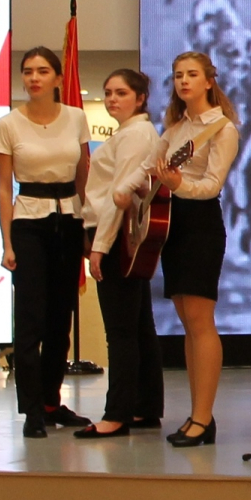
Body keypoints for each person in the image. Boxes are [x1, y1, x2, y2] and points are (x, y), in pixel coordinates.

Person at [125, 51, 241, 447]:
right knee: (187, 323)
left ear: (209, 81)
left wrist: (179, 185)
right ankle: (197, 414)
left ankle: (203, 418)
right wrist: (128, 193)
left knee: (200, 320)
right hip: (171, 223)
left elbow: (211, 185)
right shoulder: (175, 128)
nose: (184, 81)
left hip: (200, 224)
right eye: (178, 75)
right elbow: (148, 168)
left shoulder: (222, 128)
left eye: (192, 75)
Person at [0, 47, 93, 439]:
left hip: (68, 220)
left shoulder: (76, 117)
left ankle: (52, 402)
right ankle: (31, 409)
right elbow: (4, 187)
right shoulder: (8, 124)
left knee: (60, 320)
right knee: (30, 319)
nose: (34, 78)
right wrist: (7, 242)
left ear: (57, 78)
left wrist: (87, 226)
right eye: (28, 71)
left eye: (43, 71)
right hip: (28, 222)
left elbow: (83, 174)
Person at [79, 69, 165, 438]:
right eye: (108, 92)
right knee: (139, 325)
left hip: (115, 236)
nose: (112, 99)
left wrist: (99, 247)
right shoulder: (130, 133)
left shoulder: (135, 135)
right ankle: (145, 406)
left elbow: (119, 197)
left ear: (141, 98)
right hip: (116, 234)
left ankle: (117, 414)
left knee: (121, 330)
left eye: (122, 93)